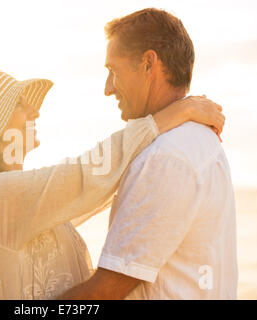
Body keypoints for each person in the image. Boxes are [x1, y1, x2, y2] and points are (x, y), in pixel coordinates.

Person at [0, 65, 224, 299]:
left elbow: (93, 186)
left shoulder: (21, 202)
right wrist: (177, 113)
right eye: (19, 103)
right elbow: (88, 174)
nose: (34, 111)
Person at [58, 8, 237, 300]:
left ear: (148, 64)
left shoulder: (165, 156)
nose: (107, 89)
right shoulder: (199, 140)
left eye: (113, 71)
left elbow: (105, 293)